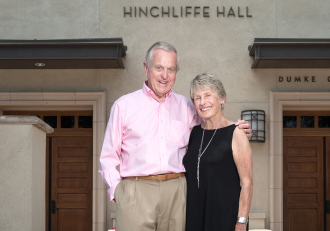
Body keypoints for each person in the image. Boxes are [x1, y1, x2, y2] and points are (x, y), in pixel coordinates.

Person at [99, 42, 251, 231]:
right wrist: (118, 192)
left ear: (177, 71)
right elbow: (107, 158)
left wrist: (237, 130)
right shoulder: (124, 106)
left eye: (171, 69)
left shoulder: (187, 106)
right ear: (146, 68)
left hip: (178, 192)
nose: (165, 75)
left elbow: (211, 130)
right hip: (135, 192)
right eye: (159, 68)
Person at [183, 73, 253, 231]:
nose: (202, 102)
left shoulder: (236, 133)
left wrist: (241, 222)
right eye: (197, 97)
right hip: (193, 217)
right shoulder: (193, 133)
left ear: (222, 99)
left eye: (208, 95)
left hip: (225, 219)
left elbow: (247, 182)